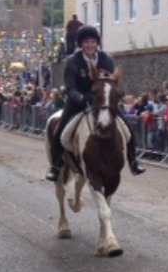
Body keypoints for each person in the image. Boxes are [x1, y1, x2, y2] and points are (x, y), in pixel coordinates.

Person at [45, 25, 146, 181]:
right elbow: (70, 86)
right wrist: (81, 98)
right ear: (81, 44)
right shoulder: (72, 61)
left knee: (127, 128)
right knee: (61, 131)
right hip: (78, 102)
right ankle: (56, 166)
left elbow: (111, 82)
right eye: (86, 42)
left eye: (93, 41)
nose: (90, 44)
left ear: (97, 43)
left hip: (102, 102)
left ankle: (133, 161)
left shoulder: (107, 59)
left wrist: (112, 95)